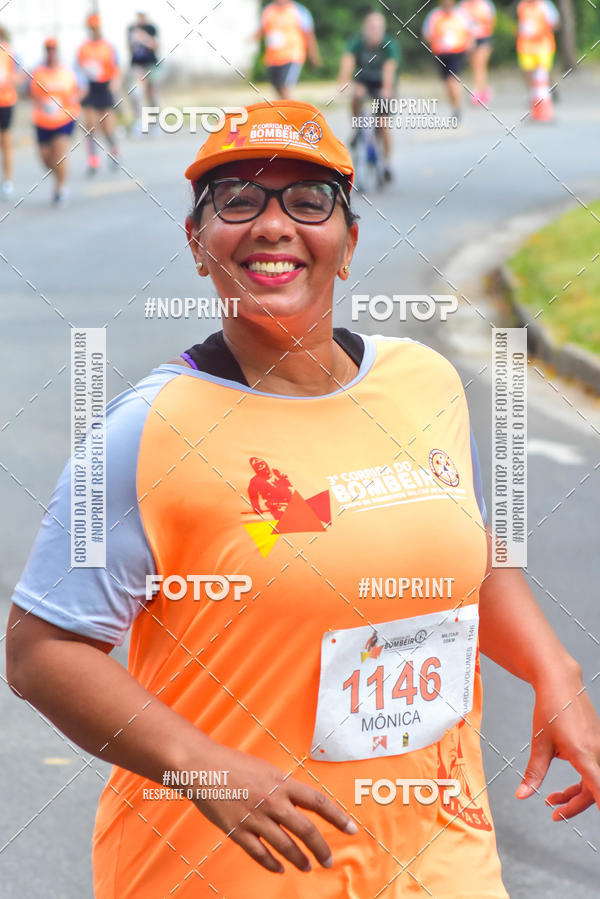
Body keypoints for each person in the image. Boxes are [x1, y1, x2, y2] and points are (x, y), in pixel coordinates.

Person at [6, 99, 600, 899]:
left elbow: (464, 551)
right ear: (197, 241)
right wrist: (203, 766)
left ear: (348, 242)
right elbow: (40, 649)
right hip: (229, 873)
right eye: (238, 200)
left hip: (439, 856)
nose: (273, 224)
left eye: (308, 200)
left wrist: (552, 668)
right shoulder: (143, 433)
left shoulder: (422, 381)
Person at [338, 11, 400, 181]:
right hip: (363, 81)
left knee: (383, 123)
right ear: (365, 28)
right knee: (356, 95)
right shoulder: (357, 43)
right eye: (372, 27)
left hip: (382, 84)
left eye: (379, 28)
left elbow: (389, 68)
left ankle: (387, 163)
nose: (375, 31)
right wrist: (343, 82)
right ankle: (357, 125)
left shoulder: (389, 44)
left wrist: (387, 89)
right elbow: (348, 61)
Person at [30, 37, 80, 206]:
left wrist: (66, 103)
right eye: (48, 49)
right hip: (43, 121)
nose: (51, 53)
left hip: (63, 118)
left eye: (53, 49)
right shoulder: (38, 72)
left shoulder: (67, 71)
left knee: (59, 153)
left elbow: (78, 91)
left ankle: (60, 188)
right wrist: (44, 103)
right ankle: (60, 176)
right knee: (46, 159)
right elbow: (33, 94)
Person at [77, 12, 121, 173]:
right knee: (89, 125)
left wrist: (115, 83)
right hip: (90, 87)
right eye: (91, 27)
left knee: (107, 126)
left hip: (105, 87)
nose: (93, 30)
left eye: (95, 27)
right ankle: (93, 159)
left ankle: (114, 151)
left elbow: (117, 68)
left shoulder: (108, 47)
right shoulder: (83, 48)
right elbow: (79, 68)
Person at [254, 0, 321, 99]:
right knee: (277, 87)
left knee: (284, 86)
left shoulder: (299, 11)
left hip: (292, 55)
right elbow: (262, 30)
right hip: (272, 58)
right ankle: (287, 108)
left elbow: (308, 34)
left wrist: (313, 55)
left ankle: (292, 111)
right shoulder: (268, 11)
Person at [422, 0, 475, 120]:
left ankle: (458, 107)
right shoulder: (434, 15)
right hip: (441, 54)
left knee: (453, 79)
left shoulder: (461, 15)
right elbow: (426, 34)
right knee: (447, 82)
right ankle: (455, 106)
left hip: (457, 52)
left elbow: (470, 32)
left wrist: (470, 45)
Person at [516, 0, 560, 121]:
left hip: (543, 47)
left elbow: (556, 23)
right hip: (525, 47)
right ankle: (535, 103)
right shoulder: (522, 5)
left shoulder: (545, 5)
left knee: (542, 75)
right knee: (529, 75)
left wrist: (541, 29)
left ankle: (545, 106)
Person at [0, 25, 24, 198]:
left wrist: (14, 81)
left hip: (5, 101)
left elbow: (22, 71)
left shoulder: (8, 50)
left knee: (5, 140)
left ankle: (8, 181)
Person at [126, 10, 159, 134]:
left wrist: (143, 38)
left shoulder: (151, 28)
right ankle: (139, 122)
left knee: (153, 94)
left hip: (151, 64)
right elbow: (129, 46)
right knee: (137, 93)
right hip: (137, 65)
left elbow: (155, 45)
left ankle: (154, 122)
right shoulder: (131, 29)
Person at [459, 0, 496, 104]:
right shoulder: (463, 5)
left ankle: (477, 91)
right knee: (474, 66)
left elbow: (491, 21)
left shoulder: (486, 5)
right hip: (469, 40)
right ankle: (483, 89)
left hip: (483, 38)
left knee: (480, 64)